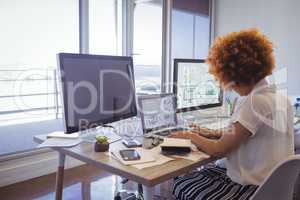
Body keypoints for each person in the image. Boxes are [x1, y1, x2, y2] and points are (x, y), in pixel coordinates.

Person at [171, 28, 294, 200]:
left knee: (180, 183)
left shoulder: (254, 102)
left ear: (237, 75)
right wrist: (211, 133)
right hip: (272, 189)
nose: (230, 88)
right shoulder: (281, 99)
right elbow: (245, 134)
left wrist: (190, 136)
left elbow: (219, 150)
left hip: (250, 190)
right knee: (205, 172)